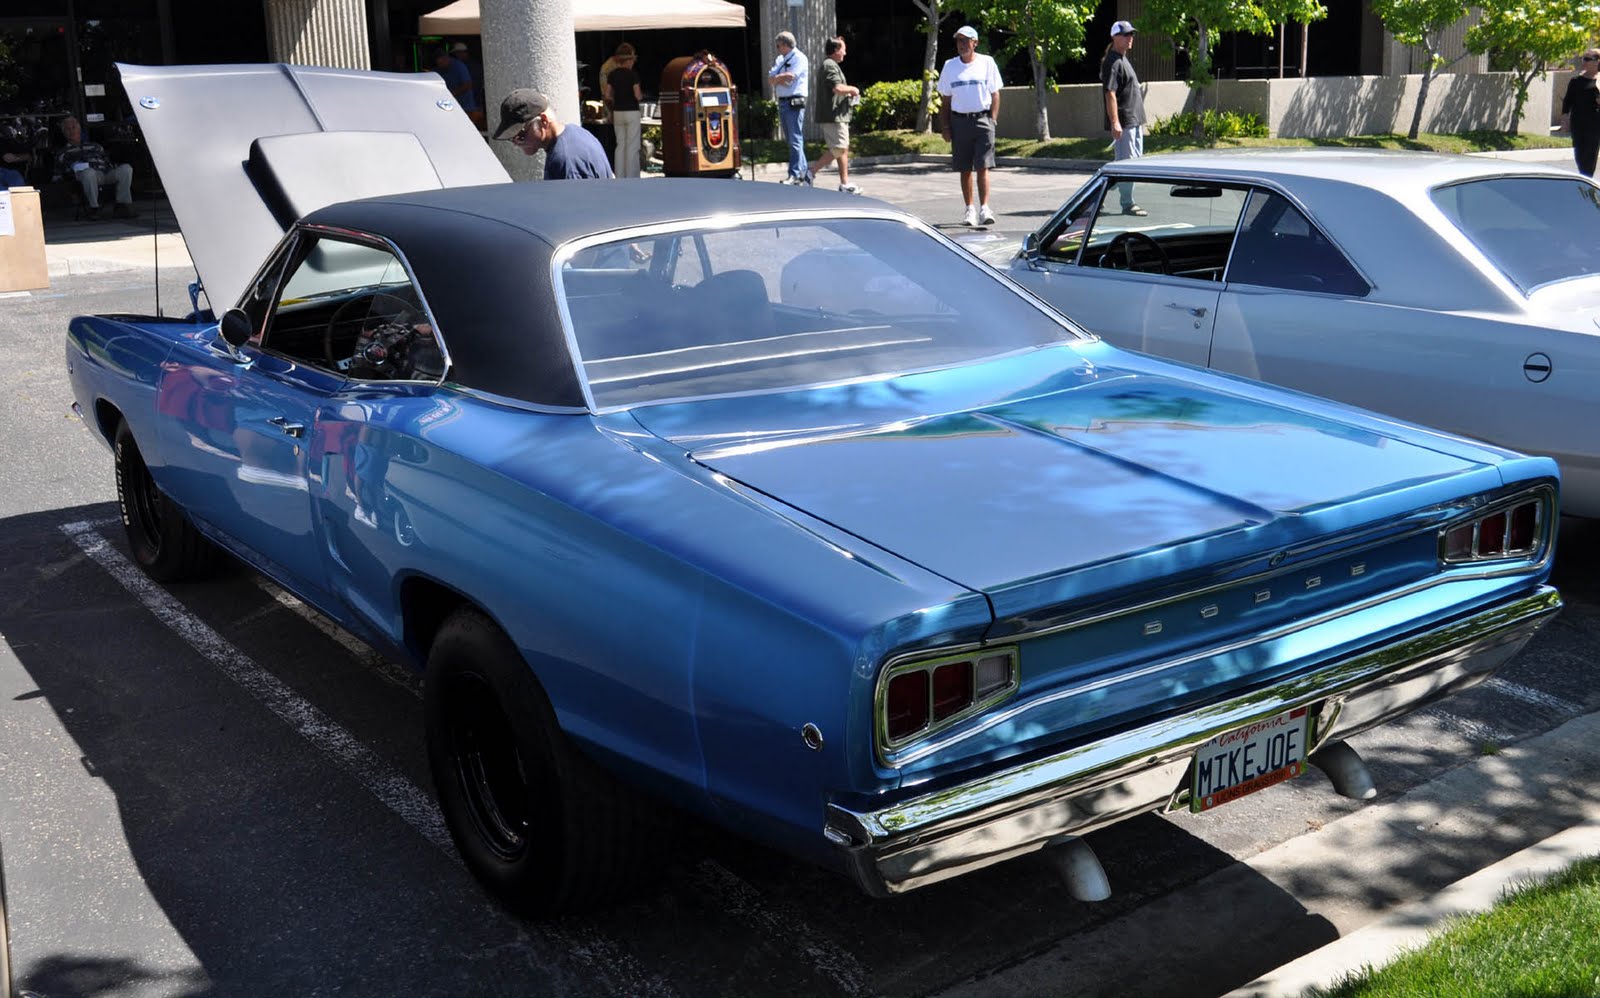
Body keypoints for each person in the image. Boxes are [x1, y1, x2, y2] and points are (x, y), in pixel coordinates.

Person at [937, 25, 1003, 227]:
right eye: (959, 41)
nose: (962, 45)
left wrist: (992, 119)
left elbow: (995, 94)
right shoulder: (950, 66)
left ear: (975, 43)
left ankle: (984, 208)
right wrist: (946, 127)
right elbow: (945, 100)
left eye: (966, 41)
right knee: (965, 168)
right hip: (959, 121)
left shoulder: (987, 63)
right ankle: (970, 210)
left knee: (983, 166)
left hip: (983, 120)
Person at [494, 88, 614, 180]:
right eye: (511, 138)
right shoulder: (577, 132)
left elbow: (574, 210)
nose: (516, 143)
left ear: (544, 121)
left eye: (520, 135)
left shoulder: (566, 161)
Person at [1101, 20, 1148, 215]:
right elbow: (1110, 93)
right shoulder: (1112, 62)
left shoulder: (1122, 59)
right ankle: (1127, 204)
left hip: (1134, 121)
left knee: (1130, 165)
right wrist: (1115, 122)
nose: (1130, 38)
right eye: (1126, 35)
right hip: (1124, 122)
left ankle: (1095, 195)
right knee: (1126, 166)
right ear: (1115, 37)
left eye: (1132, 35)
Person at [53, 116, 136, 219]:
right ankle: (94, 208)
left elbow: (107, 162)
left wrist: (111, 167)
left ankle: (123, 205)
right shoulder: (63, 152)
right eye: (68, 129)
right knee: (89, 172)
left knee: (126, 168)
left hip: (104, 173)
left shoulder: (95, 146)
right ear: (64, 133)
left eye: (73, 127)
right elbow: (58, 174)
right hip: (84, 176)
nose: (71, 131)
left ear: (79, 129)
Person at [809, 36, 862, 194]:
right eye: (843, 49)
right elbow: (837, 88)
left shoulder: (829, 65)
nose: (845, 53)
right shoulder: (829, 65)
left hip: (837, 115)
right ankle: (810, 172)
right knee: (838, 148)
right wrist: (853, 90)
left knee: (842, 149)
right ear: (836, 50)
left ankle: (844, 184)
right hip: (833, 116)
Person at [768, 31, 811, 185]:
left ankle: (794, 175)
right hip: (783, 101)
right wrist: (779, 78)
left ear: (785, 45)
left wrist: (778, 78)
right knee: (792, 140)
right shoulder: (781, 59)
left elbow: (790, 78)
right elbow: (771, 79)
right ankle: (805, 174)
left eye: (778, 46)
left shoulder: (799, 58)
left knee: (795, 139)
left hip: (794, 102)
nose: (777, 48)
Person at [604, 43, 644, 178]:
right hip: (632, 111)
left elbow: (607, 95)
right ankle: (632, 176)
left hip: (618, 112)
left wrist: (615, 101)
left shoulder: (612, 75)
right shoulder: (633, 75)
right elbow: (637, 95)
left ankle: (620, 175)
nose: (633, 62)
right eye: (632, 60)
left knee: (620, 145)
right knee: (632, 145)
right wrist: (641, 96)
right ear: (628, 60)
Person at [1562, 48, 1600, 178]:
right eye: (1583, 58)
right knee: (1579, 154)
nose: (1584, 61)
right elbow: (1567, 102)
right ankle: (1584, 178)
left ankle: (1587, 182)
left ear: (1597, 62)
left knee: (1590, 155)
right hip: (1578, 124)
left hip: (1595, 125)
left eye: (1588, 59)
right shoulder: (1576, 81)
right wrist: (1565, 119)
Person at [433, 46, 482, 127]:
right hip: (449, 107)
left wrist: (451, 94)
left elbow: (468, 85)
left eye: (442, 62)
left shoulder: (459, 66)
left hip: (466, 107)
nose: (440, 65)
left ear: (446, 58)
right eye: (438, 63)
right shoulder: (437, 70)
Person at [451, 40, 485, 117]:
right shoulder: (470, 64)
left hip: (473, 104)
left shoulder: (471, 66)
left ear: (461, 53)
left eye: (457, 53)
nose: (456, 56)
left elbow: (474, 85)